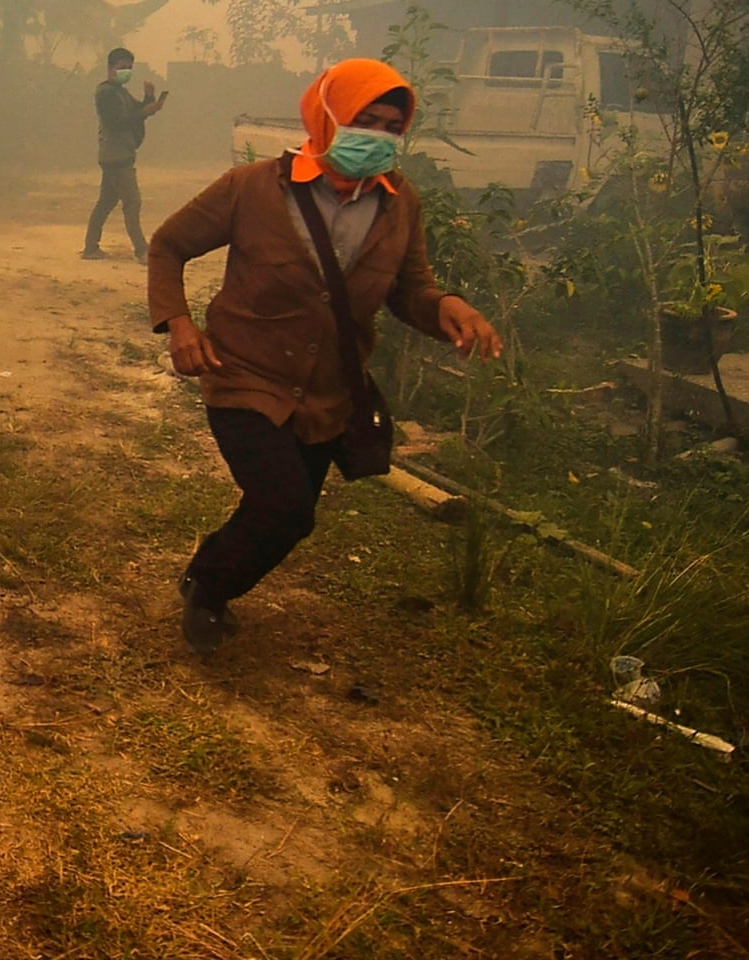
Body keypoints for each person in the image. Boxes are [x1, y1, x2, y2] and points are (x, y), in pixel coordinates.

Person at [146, 58, 502, 655]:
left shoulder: (399, 203)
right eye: (366, 119)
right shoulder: (252, 188)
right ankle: (207, 588)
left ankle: (212, 577)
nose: (380, 136)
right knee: (284, 505)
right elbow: (169, 245)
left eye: (392, 125)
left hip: (327, 394)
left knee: (290, 513)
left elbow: (410, 289)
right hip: (242, 374)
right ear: (327, 115)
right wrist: (179, 324)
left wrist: (446, 308)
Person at [83, 47, 169, 263]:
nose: (126, 72)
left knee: (106, 201)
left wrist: (149, 99)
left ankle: (90, 247)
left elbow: (135, 113)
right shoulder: (106, 93)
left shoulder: (119, 91)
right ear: (111, 68)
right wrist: (145, 111)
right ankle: (141, 250)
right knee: (132, 202)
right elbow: (118, 122)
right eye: (123, 68)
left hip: (119, 154)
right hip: (116, 156)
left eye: (129, 68)